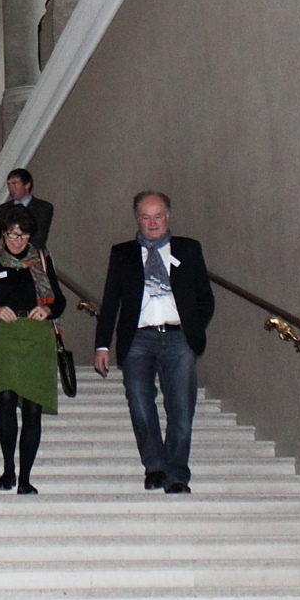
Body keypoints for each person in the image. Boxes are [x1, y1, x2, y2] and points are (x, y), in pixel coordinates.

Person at [94, 191, 217, 494]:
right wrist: (102, 345)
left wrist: (193, 330)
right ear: (138, 218)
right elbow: (111, 302)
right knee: (138, 400)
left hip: (178, 338)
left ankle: (177, 474)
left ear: (168, 216)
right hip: (138, 339)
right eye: (146, 217)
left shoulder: (188, 249)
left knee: (181, 409)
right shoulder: (122, 253)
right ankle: (155, 466)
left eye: (158, 215)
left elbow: (205, 298)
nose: (153, 223)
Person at [0, 203, 67, 494]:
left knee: (33, 407)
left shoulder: (42, 262)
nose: (17, 240)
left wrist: (47, 311)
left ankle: (25, 478)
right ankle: (8, 468)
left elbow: (58, 301)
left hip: (37, 337)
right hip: (6, 337)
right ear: (4, 234)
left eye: (22, 235)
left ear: (30, 236)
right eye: (11, 234)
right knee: (7, 398)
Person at [0, 167, 54, 250]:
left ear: (27, 185)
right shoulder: (4, 208)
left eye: (14, 183)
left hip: (32, 256)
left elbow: (39, 236)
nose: (11, 188)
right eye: (9, 184)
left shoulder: (43, 207)